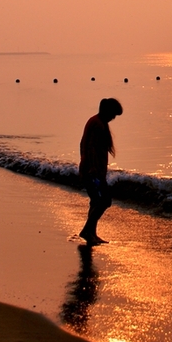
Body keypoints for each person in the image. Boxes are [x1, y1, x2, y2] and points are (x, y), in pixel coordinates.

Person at [78, 98, 123, 245]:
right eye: (113, 114)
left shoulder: (96, 121)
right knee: (104, 201)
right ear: (107, 111)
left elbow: (82, 144)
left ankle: (92, 233)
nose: (114, 118)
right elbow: (91, 147)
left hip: (92, 170)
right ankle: (87, 230)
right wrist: (93, 169)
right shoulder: (98, 124)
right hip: (93, 171)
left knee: (95, 201)